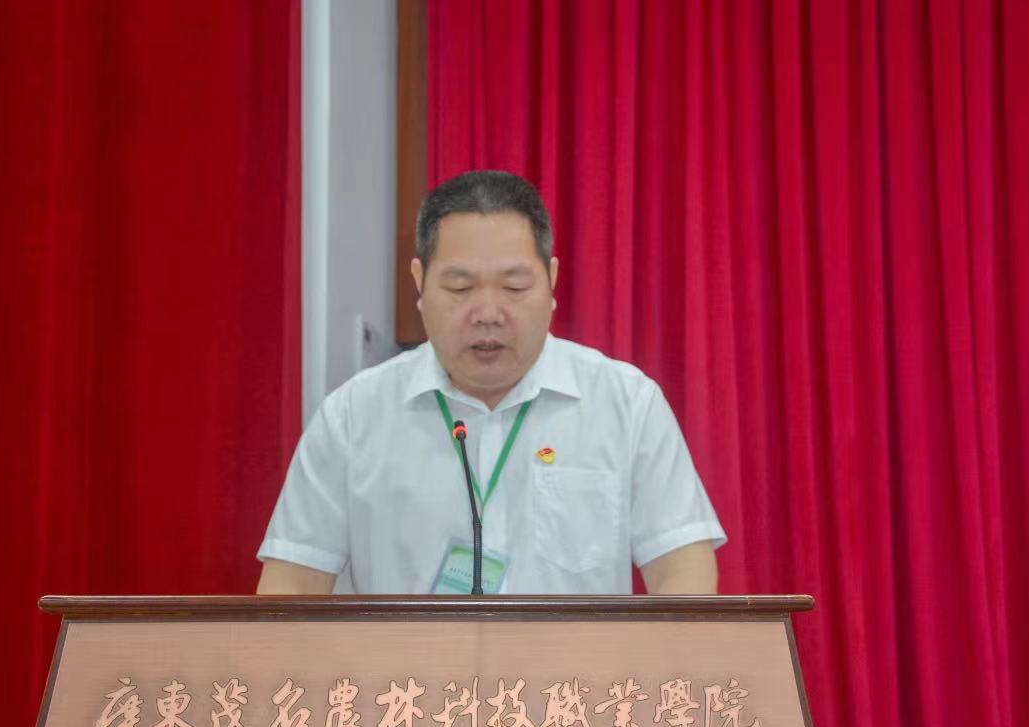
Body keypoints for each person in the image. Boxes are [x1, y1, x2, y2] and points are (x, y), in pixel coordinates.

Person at [257, 170, 724, 595]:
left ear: (552, 280)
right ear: (419, 282)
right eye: (460, 288)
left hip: (574, 667)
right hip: (410, 667)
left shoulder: (627, 404)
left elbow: (683, 573)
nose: (487, 313)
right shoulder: (352, 416)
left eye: (514, 287)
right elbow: (291, 584)